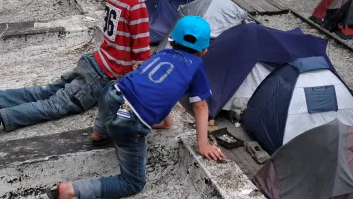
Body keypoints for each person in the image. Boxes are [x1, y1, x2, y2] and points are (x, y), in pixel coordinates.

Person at [0, 0, 155, 138]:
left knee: (46, 92)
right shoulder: (137, 4)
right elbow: (141, 52)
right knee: (54, 106)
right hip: (103, 74)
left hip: (94, 60)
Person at [48, 16, 224, 199]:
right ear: (204, 51)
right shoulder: (196, 67)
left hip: (112, 93)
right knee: (132, 183)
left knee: (113, 102)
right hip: (130, 119)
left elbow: (156, 88)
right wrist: (203, 145)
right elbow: (201, 106)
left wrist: (166, 122)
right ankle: (70, 191)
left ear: (171, 39)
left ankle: (99, 133)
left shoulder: (162, 54)